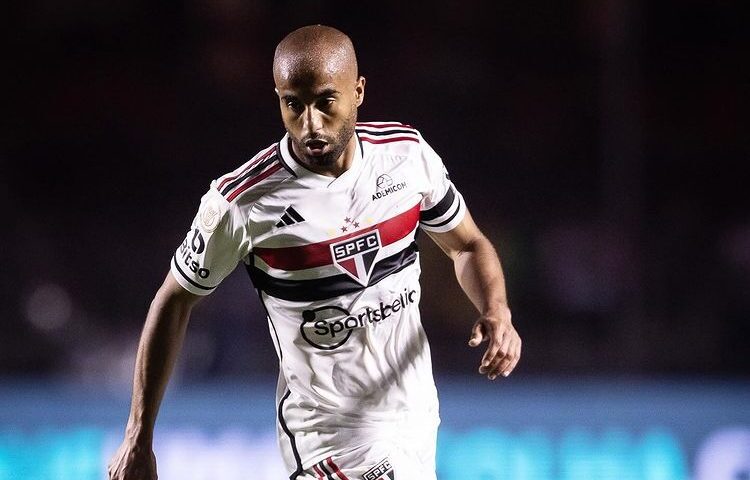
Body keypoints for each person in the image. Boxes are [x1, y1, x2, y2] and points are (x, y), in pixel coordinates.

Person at [108, 24, 521, 480]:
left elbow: (467, 244)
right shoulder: (241, 201)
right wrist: (138, 436)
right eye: (293, 104)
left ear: (358, 91)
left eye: (325, 102)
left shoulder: (406, 157)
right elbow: (175, 297)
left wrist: (496, 309)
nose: (310, 124)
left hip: (417, 418)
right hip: (328, 436)